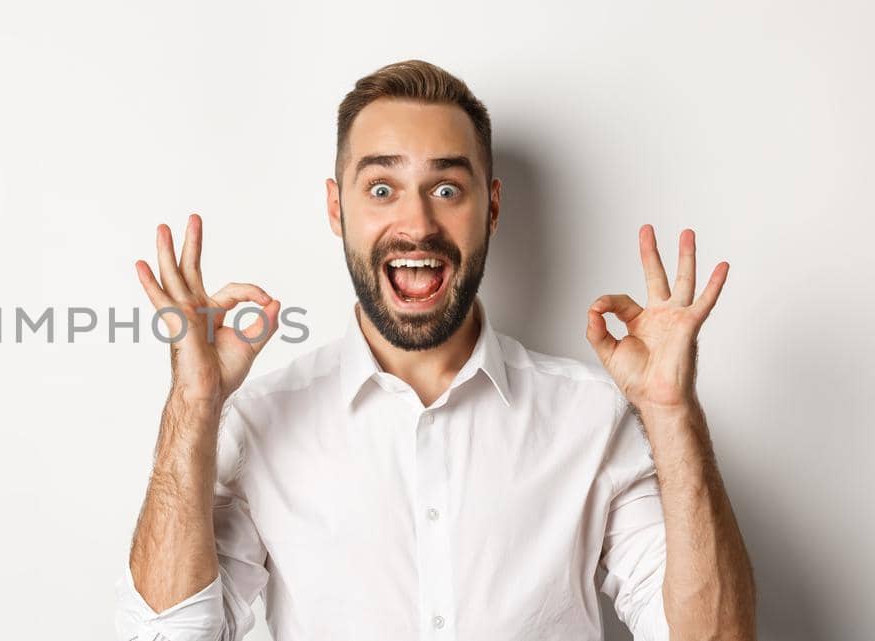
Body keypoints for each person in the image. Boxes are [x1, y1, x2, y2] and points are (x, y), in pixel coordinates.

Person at [116, 60, 756, 640]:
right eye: (381, 189)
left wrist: (672, 411)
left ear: (492, 207)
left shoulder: (593, 420)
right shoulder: (260, 424)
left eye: (447, 189)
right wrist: (194, 404)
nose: (418, 224)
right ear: (337, 209)